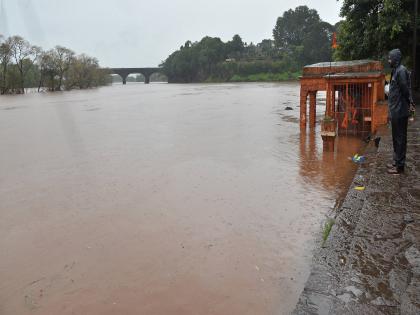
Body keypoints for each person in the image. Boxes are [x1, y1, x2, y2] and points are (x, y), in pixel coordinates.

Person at [386, 49, 416, 174]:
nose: (388, 60)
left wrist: (410, 103)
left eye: (390, 58)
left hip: (400, 110)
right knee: (395, 138)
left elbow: (405, 90)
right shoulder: (395, 71)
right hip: (395, 111)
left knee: (400, 139)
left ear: (396, 59)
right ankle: (396, 161)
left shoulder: (401, 71)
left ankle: (400, 166)